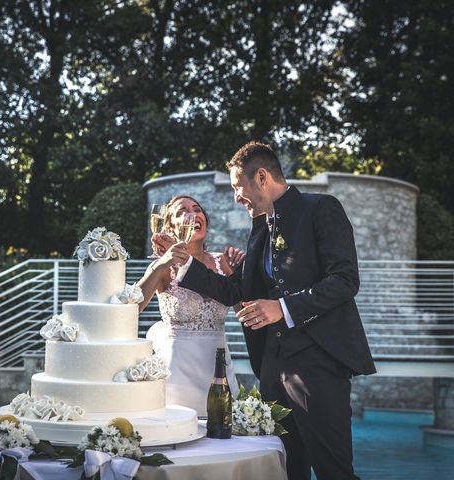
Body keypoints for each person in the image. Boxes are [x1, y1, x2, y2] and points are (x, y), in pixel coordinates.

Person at [166, 142, 376, 480]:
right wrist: (185, 264)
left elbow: (345, 280)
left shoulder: (321, 208)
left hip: (319, 367)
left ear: (261, 177)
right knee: (285, 470)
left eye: (238, 187)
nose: (237, 197)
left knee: (333, 470)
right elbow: (238, 292)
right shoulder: (261, 227)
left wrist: (283, 308)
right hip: (273, 368)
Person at [136, 195, 245, 416]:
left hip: (219, 371)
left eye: (197, 209)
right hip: (177, 377)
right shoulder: (163, 267)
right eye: (182, 211)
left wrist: (241, 274)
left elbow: (244, 312)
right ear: (169, 226)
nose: (192, 214)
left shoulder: (221, 261)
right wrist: (160, 265)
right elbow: (132, 309)